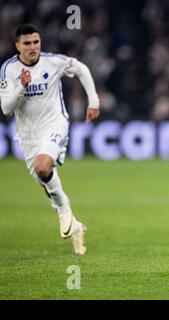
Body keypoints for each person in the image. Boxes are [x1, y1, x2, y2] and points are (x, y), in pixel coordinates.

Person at [0, 24, 100, 255]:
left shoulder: (53, 62)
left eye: (36, 42)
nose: (33, 47)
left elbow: (81, 68)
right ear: (17, 46)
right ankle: (75, 225)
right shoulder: (8, 70)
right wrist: (22, 88)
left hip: (55, 124)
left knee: (43, 166)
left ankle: (64, 211)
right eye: (27, 43)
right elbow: (6, 108)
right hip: (28, 135)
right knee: (43, 177)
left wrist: (93, 101)